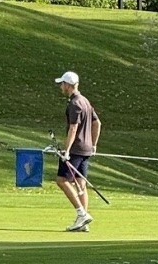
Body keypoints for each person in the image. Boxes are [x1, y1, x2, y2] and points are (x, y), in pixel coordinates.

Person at [54, 70, 101, 232]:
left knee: (61, 180)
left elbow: (73, 128)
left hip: (75, 149)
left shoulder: (75, 104)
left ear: (68, 85)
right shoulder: (85, 101)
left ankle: (82, 214)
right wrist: (93, 144)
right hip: (86, 149)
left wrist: (66, 151)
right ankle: (83, 223)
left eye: (62, 84)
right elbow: (97, 123)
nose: (61, 87)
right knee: (80, 184)